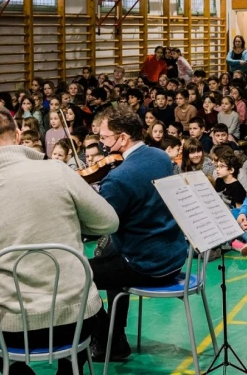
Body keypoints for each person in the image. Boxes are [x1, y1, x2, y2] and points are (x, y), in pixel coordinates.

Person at [0, 106, 119, 375]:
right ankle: (70, 369)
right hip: (77, 320)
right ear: (18, 135)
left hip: (13, 329)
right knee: (91, 311)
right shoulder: (58, 171)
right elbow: (109, 222)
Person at [90, 106, 187, 361]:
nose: (102, 143)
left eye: (104, 137)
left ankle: (104, 336)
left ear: (122, 138)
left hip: (146, 264)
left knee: (73, 275)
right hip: (174, 256)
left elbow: (101, 225)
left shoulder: (118, 178)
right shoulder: (160, 156)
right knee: (108, 253)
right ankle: (116, 336)